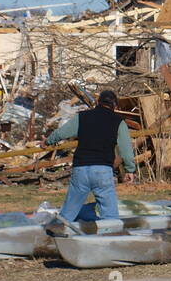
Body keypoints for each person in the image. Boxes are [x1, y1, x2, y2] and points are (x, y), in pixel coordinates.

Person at [46, 89, 136, 224]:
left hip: (81, 169)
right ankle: (110, 239)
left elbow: (61, 133)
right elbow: (126, 150)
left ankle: (54, 235)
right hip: (102, 171)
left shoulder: (82, 117)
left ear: (97, 103)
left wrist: (47, 141)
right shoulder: (119, 122)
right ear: (115, 106)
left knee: (68, 213)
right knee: (110, 216)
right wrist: (130, 169)